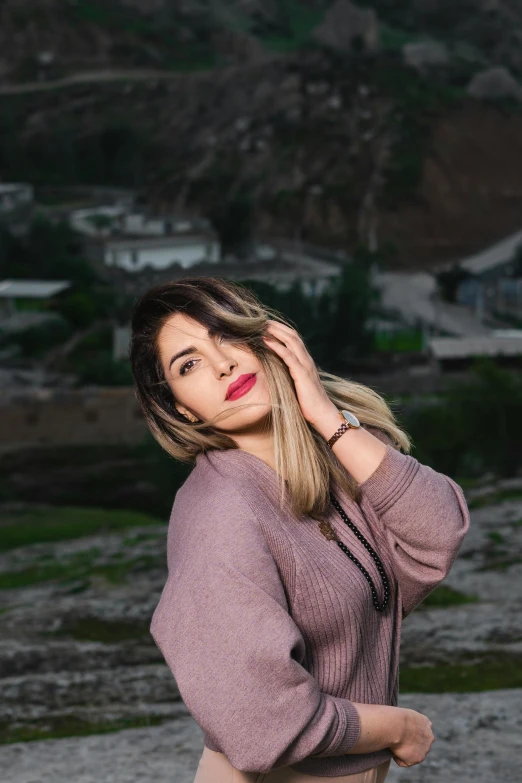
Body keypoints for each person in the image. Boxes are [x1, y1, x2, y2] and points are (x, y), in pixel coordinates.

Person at [129, 276, 470, 783]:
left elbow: (438, 532)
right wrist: (394, 726)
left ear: (262, 337)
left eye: (225, 335)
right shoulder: (218, 510)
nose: (222, 363)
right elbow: (257, 720)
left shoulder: (335, 459)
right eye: (189, 363)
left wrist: (327, 417)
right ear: (180, 407)